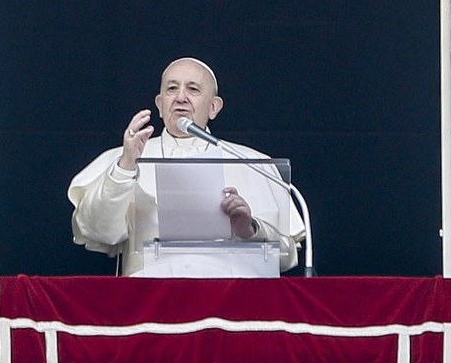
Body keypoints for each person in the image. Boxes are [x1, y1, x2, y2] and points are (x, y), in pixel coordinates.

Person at [68, 57, 304, 276]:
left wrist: (250, 229)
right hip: (151, 303)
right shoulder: (123, 159)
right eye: (172, 88)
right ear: (160, 104)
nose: (181, 97)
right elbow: (98, 231)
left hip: (231, 302)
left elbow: (286, 257)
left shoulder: (252, 163)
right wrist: (126, 166)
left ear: (214, 107)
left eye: (193, 89)